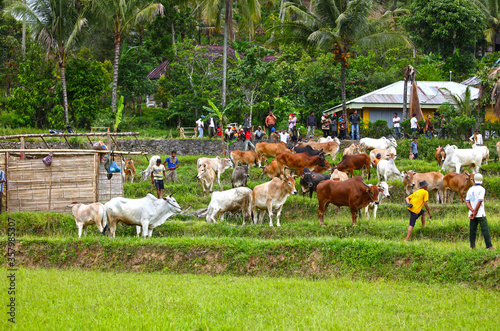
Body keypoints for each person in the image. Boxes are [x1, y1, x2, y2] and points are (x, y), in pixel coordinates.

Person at [465, 173, 495, 250]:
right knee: (485, 229)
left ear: (474, 180)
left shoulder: (470, 189)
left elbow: (467, 201)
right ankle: (489, 245)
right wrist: (475, 211)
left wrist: (472, 210)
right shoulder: (482, 189)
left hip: (471, 214)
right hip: (480, 213)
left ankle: (472, 246)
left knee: (472, 230)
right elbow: (480, 201)